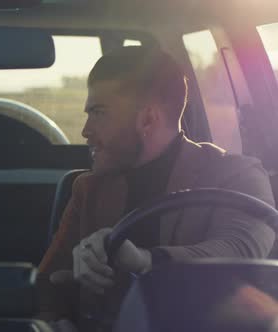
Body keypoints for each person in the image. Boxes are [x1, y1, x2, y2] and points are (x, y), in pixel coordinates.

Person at [37, 46, 276, 327]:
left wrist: (145, 260)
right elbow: (47, 287)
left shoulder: (236, 174)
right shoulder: (89, 188)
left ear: (147, 119)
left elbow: (241, 249)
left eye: (98, 113)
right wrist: (57, 322)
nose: (85, 130)